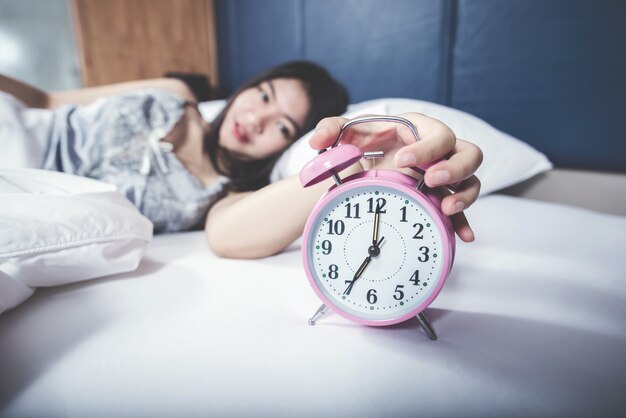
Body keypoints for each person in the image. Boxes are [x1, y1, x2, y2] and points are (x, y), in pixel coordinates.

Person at [0, 61, 349, 232]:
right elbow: (48, 99)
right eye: (263, 95)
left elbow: (227, 237)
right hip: (20, 132)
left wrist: (347, 163)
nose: (256, 118)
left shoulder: (218, 198)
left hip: (27, 203)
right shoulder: (175, 93)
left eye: (282, 126)